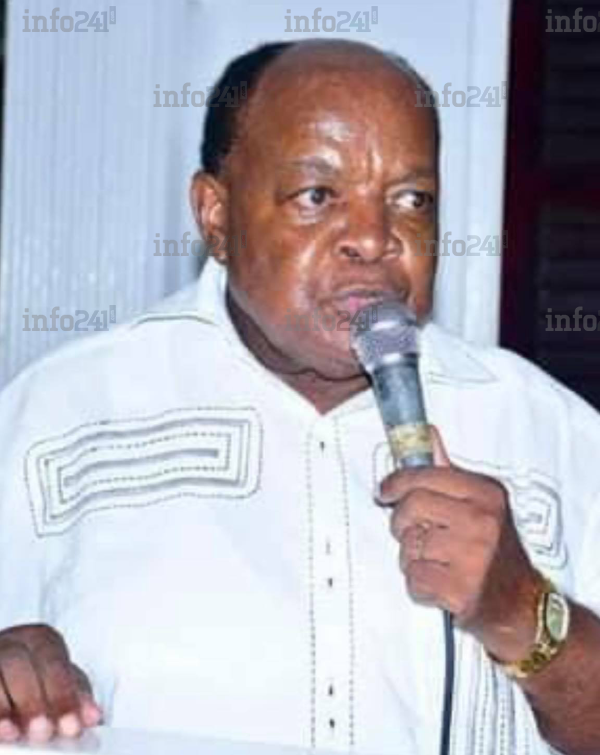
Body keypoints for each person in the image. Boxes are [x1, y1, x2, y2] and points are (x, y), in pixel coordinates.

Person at [0, 39, 599, 755]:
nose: (374, 240)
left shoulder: (545, 429)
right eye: (318, 196)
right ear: (215, 215)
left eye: (411, 200)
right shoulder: (59, 418)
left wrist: (525, 613)